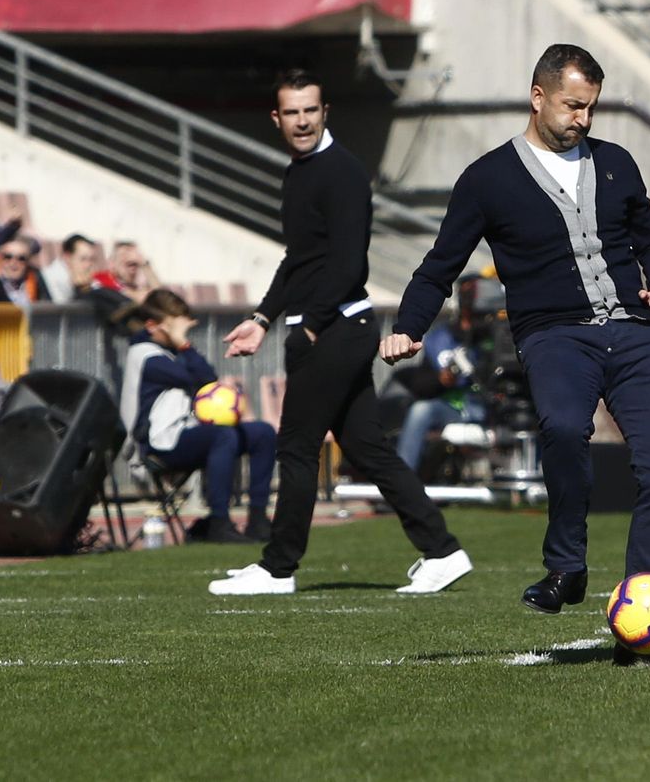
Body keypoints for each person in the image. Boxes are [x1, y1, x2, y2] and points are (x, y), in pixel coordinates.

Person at [381, 46, 650, 665]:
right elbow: (440, 265)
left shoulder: (615, 162)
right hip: (555, 335)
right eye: (574, 106)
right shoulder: (487, 178)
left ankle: (644, 609)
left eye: (592, 108)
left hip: (635, 330)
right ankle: (566, 566)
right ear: (538, 96)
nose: (584, 119)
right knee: (564, 429)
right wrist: (407, 327)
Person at [214, 69, 470, 597]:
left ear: (324, 111)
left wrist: (309, 326)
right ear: (277, 118)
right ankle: (443, 551)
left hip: (335, 328)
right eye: (292, 112)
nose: (302, 120)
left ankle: (278, 568)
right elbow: (299, 260)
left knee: (297, 446)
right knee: (366, 447)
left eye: (310, 109)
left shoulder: (343, 172)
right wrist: (261, 320)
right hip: (330, 328)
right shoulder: (300, 172)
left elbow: (349, 263)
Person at [121, 289, 274, 544]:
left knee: (262, 433)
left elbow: (205, 378)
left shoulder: (170, 353)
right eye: (175, 327)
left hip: (186, 433)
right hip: (159, 443)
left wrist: (180, 344)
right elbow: (204, 379)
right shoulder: (145, 355)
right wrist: (183, 343)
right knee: (222, 436)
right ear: (152, 326)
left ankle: (258, 519)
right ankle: (219, 522)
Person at [394, 283, 487, 476]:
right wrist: (441, 380)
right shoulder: (441, 338)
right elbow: (421, 382)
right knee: (421, 409)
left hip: (487, 407)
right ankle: (402, 478)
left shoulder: (497, 334)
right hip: (454, 408)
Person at [0, 237, 49, 308]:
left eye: (21, 258)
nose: (13, 263)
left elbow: (48, 306)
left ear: (28, 262)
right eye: (8, 257)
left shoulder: (35, 277)